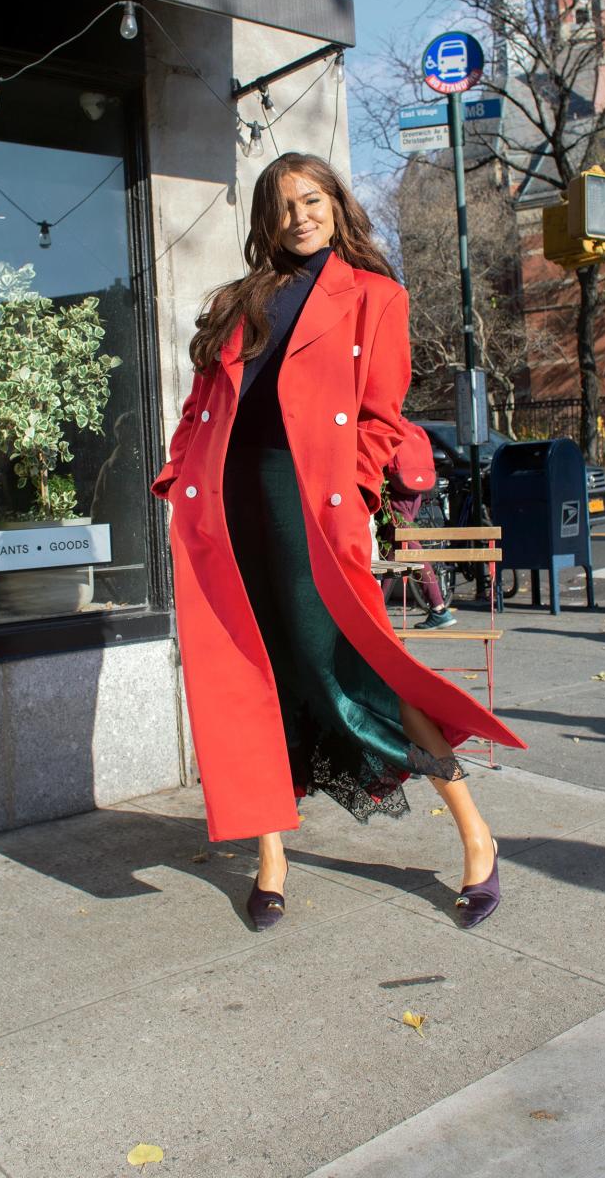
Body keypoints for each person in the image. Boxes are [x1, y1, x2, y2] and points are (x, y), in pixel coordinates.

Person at [151, 153, 525, 932]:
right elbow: (200, 405)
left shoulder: (376, 297)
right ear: (266, 220)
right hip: (229, 504)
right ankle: (272, 857)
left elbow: (382, 417)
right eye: (284, 206)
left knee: (355, 665)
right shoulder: (237, 301)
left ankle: (475, 833)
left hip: (310, 503)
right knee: (255, 672)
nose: (300, 217)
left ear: (335, 205)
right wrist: (176, 475)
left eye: (312, 200)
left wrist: (352, 497)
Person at [376, 421, 456, 630]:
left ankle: (439, 609)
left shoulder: (384, 424)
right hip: (413, 491)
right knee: (393, 549)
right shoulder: (410, 428)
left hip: (394, 492)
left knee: (410, 547)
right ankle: (377, 610)